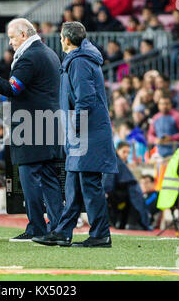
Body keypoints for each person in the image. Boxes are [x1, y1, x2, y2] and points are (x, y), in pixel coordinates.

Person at [0, 18, 64, 242]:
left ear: (24, 35)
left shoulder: (30, 57)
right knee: (49, 177)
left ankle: (37, 228)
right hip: (50, 123)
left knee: (28, 176)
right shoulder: (49, 53)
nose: (10, 42)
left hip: (32, 126)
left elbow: (12, 89)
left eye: (12, 37)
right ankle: (58, 229)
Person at [32, 21, 118, 248]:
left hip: (86, 134)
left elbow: (85, 99)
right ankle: (63, 232)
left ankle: (100, 234)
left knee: (89, 185)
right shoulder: (80, 60)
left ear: (66, 40)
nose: (60, 41)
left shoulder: (79, 62)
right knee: (74, 186)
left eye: (61, 37)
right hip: (83, 133)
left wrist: (75, 128)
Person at [103, 144, 151, 231]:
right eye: (124, 152)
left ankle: (128, 223)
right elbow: (109, 182)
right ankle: (131, 224)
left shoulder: (118, 162)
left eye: (128, 153)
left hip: (127, 192)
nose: (126, 155)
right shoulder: (116, 162)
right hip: (125, 193)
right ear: (117, 151)